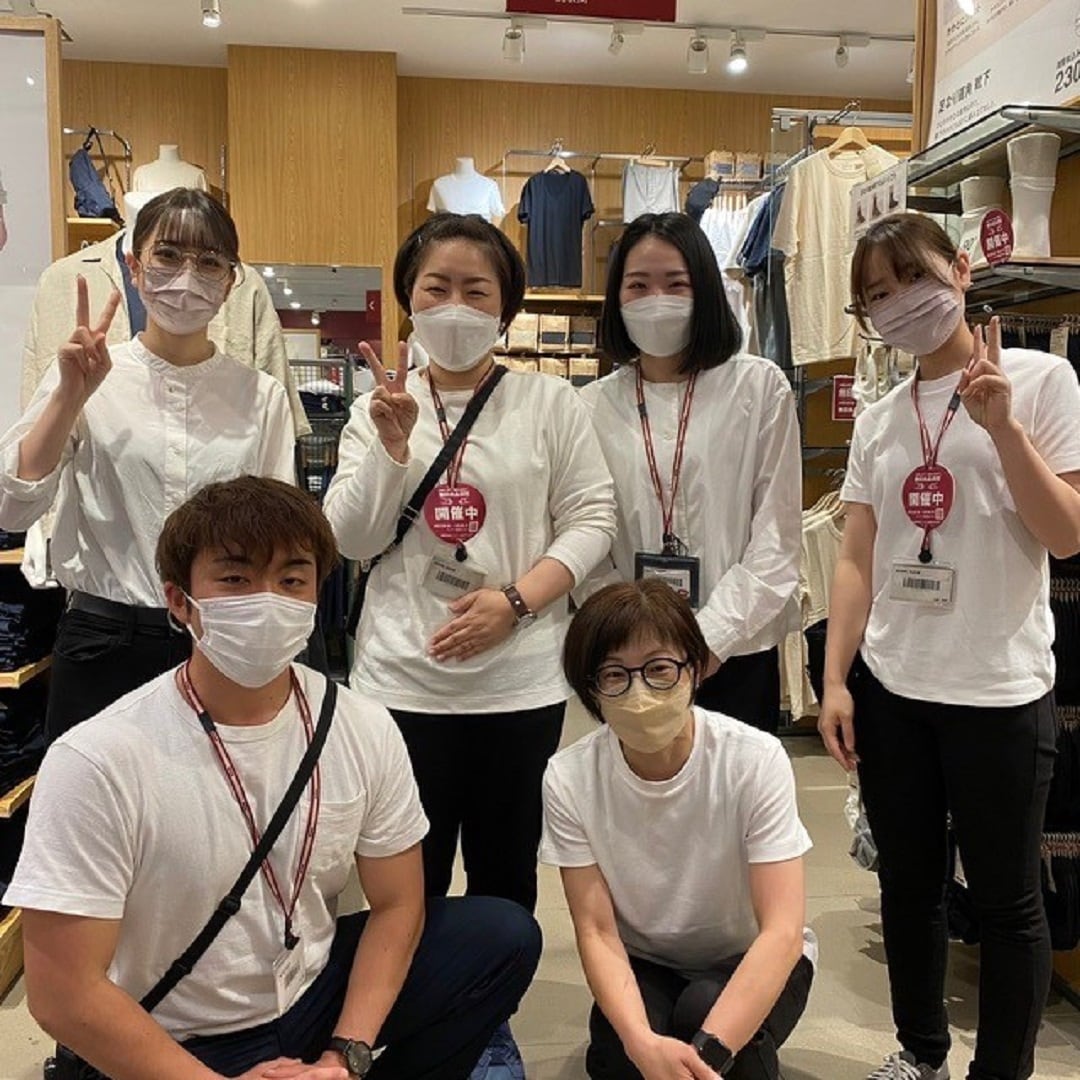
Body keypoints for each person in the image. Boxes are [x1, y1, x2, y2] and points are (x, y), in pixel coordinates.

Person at [3, 476, 542, 1080]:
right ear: (180, 601)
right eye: (235, 579)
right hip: (175, 1034)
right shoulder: (98, 759)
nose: (268, 602)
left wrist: (347, 1054)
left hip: (310, 995)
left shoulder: (362, 724)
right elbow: (63, 991)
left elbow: (398, 904)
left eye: (291, 580)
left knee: (502, 936)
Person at [818, 213, 1080, 1080]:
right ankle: (920, 1053)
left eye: (913, 278)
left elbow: (1067, 535)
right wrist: (837, 679)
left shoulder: (1041, 380)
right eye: (877, 294)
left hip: (999, 688)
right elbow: (856, 556)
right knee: (909, 885)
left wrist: (1002, 427)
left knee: (1006, 901)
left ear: (961, 270)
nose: (899, 302)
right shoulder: (881, 418)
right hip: (895, 686)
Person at [323, 212, 616, 916]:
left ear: (505, 308)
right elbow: (350, 539)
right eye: (437, 287)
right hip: (402, 682)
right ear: (409, 298)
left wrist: (515, 601)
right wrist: (392, 450)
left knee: (505, 878)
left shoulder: (549, 402)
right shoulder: (376, 409)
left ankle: (491, 991)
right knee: (404, 884)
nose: (455, 306)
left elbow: (592, 518)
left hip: (518, 684)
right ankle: (414, 988)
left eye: (476, 291)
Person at [0, 188, 297, 742]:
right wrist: (68, 398)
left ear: (230, 282)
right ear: (134, 267)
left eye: (209, 261)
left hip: (219, 641)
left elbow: (277, 543)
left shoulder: (261, 397)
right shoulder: (86, 374)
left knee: (215, 796)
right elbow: (13, 509)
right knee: (92, 794)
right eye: (168, 255)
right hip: (102, 640)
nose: (187, 277)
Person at [542, 579, 814, 1080]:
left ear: (694, 668)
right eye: (614, 675)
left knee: (705, 1022)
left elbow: (781, 932)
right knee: (621, 1055)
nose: (640, 692)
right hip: (647, 960)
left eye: (659, 669)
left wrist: (707, 1057)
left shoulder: (754, 760)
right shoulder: (570, 777)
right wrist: (640, 1043)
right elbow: (596, 930)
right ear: (590, 688)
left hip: (751, 955)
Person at [580, 212, 801, 734]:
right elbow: (585, 534)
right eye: (638, 285)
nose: (656, 298)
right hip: (629, 655)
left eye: (676, 284)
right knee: (634, 782)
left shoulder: (759, 387)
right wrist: (633, 633)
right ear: (617, 297)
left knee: (735, 781)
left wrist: (710, 638)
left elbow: (776, 536)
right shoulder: (591, 405)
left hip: (737, 649)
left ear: (704, 288)